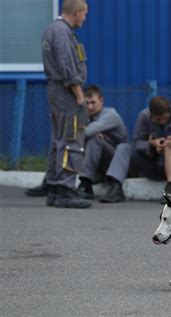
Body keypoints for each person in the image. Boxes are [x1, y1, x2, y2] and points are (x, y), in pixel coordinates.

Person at [41, 0, 91, 208]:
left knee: (59, 139)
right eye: (84, 14)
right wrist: (79, 94)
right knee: (71, 139)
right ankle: (65, 190)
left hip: (57, 91)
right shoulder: (63, 33)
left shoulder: (53, 29)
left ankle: (54, 187)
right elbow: (67, 65)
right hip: (66, 93)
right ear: (77, 12)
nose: (85, 18)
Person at [99, 96, 171, 203]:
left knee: (169, 146)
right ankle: (116, 186)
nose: (162, 122)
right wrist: (151, 145)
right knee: (124, 147)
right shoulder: (144, 116)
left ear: (170, 111)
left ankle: (170, 189)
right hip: (150, 165)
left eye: (165, 118)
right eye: (158, 120)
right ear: (151, 114)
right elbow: (136, 142)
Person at [75, 85, 128, 200]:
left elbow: (86, 132)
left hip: (120, 165)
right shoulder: (86, 117)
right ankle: (82, 184)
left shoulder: (110, 115)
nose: (89, 107)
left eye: (93, 102)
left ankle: (88, 184)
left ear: (101, 101)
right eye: (86, 103)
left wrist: (82, 130)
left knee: (94, 139)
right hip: (101, 163)